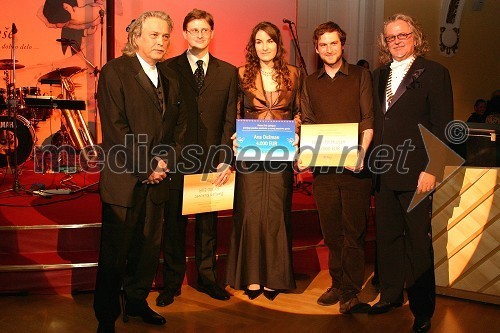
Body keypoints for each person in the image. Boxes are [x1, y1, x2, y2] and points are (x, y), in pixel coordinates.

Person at [93, 11, 186, 333]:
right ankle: (106, 317)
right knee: (115, 255)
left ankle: (136, 301)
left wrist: (165, 163)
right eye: (154, 35)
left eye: (165, 36)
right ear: (136, 37)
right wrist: (148, 166)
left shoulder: (171, 78)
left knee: (147, 252)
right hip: (124, 181)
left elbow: (176, 131)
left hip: (158, 181)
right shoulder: (115, 72)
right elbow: (116, 129)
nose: (161, 42)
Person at [368, 14, 453, 333]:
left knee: (418, 243)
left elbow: (443, 127)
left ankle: (422, 310)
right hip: (384, 172)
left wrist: (434, 168)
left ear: (415, 37)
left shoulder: (434, 73)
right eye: (391, 37)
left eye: (402, 35)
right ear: (384, 43)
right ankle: (389, 296)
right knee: (387, 239)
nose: (397, 41)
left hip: (419, 174)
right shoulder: (377, 75)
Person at [156, 8, 237, 307]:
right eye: (194, 30)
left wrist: (225, 157)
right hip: (177, 159)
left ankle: (208, 278)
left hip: (212, 161)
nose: (200, 35)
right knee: (174, 224)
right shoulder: (168, 69)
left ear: (212, 34)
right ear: (185, 34)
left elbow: (230, 120)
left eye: (205, 30)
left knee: (208, 225)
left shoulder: (229, 72)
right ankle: (172, 282)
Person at [300, 21, 373, 314]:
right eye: (323, 45)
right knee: (331, 232)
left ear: (342, 45)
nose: (329, 49)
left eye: (334, 43)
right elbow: (308, 122)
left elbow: (368, 117)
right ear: (316, 49)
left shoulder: (360, 75)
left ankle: (351, 291)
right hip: (324, 169)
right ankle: (337, 282)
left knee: (353, 231)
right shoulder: (309, 81)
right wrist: (305, 154)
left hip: (355, 167)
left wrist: (362, 152)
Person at [225, 21, 301, 301]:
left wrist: (296, 132)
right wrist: (234, 137)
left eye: (269, 41)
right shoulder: (242, 73)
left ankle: (275, 277)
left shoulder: (294, 74)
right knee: (250, 213)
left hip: (280, 155)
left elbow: (299, 112)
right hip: (250, 155)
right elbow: (234, 111)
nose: (264, 47)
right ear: (252, 46)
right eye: (258, 42)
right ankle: (251, 277)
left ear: (278, 45)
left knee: (276, 214)